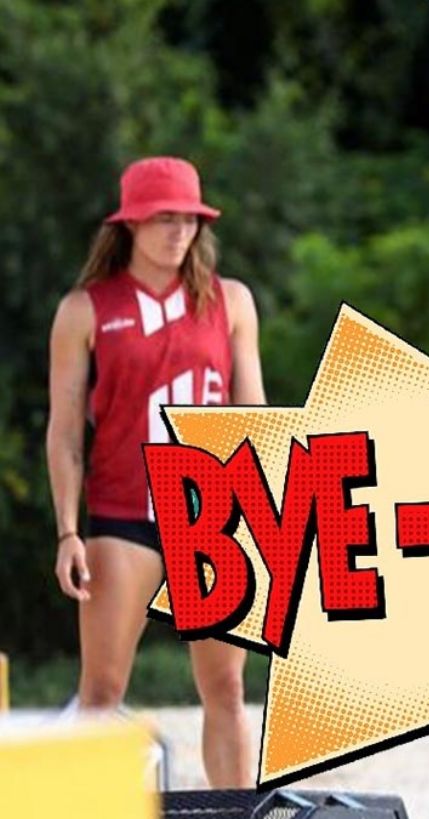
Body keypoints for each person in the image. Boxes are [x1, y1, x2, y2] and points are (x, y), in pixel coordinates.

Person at [47, 156, 263, 788]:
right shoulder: (85, 310)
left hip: (213, 514)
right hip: (124, 513)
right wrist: (67, 531)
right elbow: (64, 432)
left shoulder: (231, 302)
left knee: (226, 688)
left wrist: (264, 515)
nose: (178, 232)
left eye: (189, 220)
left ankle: (235, 810)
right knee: (101, 691)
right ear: (131, 224)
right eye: (164, 218)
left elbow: (252, 414)